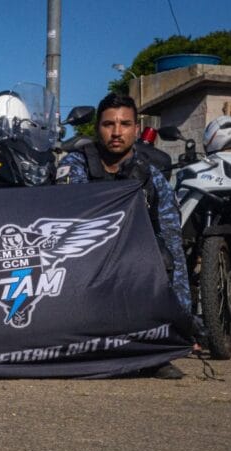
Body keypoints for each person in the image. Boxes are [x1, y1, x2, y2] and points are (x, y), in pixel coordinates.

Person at [56, 93, 193, 379]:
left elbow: (171, 240)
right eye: (108, 124)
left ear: (136, 128)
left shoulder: (152, 175)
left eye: (124, 124)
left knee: (164, 255)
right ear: (97, 128)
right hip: (84, 263)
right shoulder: (76, 164)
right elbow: (68, 219)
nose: (116, 132)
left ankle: (155, 353)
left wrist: (184, 320)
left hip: (132, 266)